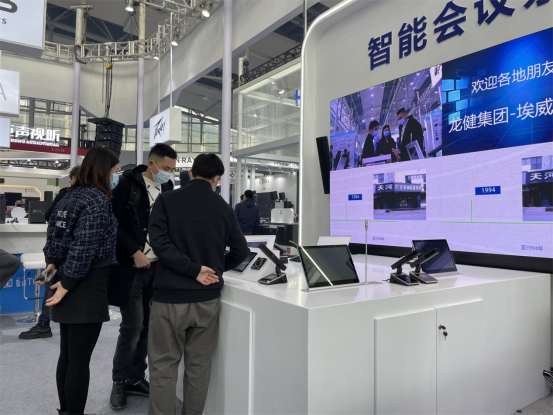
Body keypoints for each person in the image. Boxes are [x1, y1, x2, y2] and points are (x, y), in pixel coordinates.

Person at [148, 153, 249, 415]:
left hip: (169, 299)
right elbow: (241, 251)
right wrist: (214, 269)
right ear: (216, 179)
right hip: (206, 300)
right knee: (199, 368)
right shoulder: (224, 208)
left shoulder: (166, 200)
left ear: (191, 172)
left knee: (163, 366)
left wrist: (192, 270)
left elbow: (159, 244)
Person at [41, 146, 119, 415]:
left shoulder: (69, 195)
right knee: (79, 360)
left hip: (67, 277)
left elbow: (54, 236)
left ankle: (65, 410)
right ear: (103, 170)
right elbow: (85, 246)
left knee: (68, 354)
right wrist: (67, 284)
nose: (114, 177)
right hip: (85, 282)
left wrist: (53, 263)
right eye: (114, 171)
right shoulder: (97, 199)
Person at [108, 144, 176, 410]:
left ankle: (136, 378)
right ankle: (119, 381)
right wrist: (134, 251)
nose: (169, 173)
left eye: (172, 169)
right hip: (132, 268)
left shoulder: (168, 188)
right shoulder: (127, 185)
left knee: (149, 327)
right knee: (132, 327)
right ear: (152, 164)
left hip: (158, 270)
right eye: (166, 168)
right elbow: (112, 224)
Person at [19, 165, 81, 340]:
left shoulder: (66, 194)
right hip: (67, 251)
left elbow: (48, 216)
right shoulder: (89, 197)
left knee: (50, 283)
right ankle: (45, 323)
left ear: (73, 178)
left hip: (58, 249)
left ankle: (43, 325)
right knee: (52, 281)